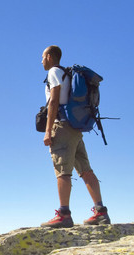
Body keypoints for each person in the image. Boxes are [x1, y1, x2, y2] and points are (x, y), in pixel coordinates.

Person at [40, 45, 111, 228]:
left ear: (49, 56)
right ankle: (101, 212)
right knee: (86, 170)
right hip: (75, 129)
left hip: (62, 127)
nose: (41, 61)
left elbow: (54, 100)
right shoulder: (69, 74)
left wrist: (48, 130)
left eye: (42, 57)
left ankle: (64, 214)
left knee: (62, 170)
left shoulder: (54, 72)